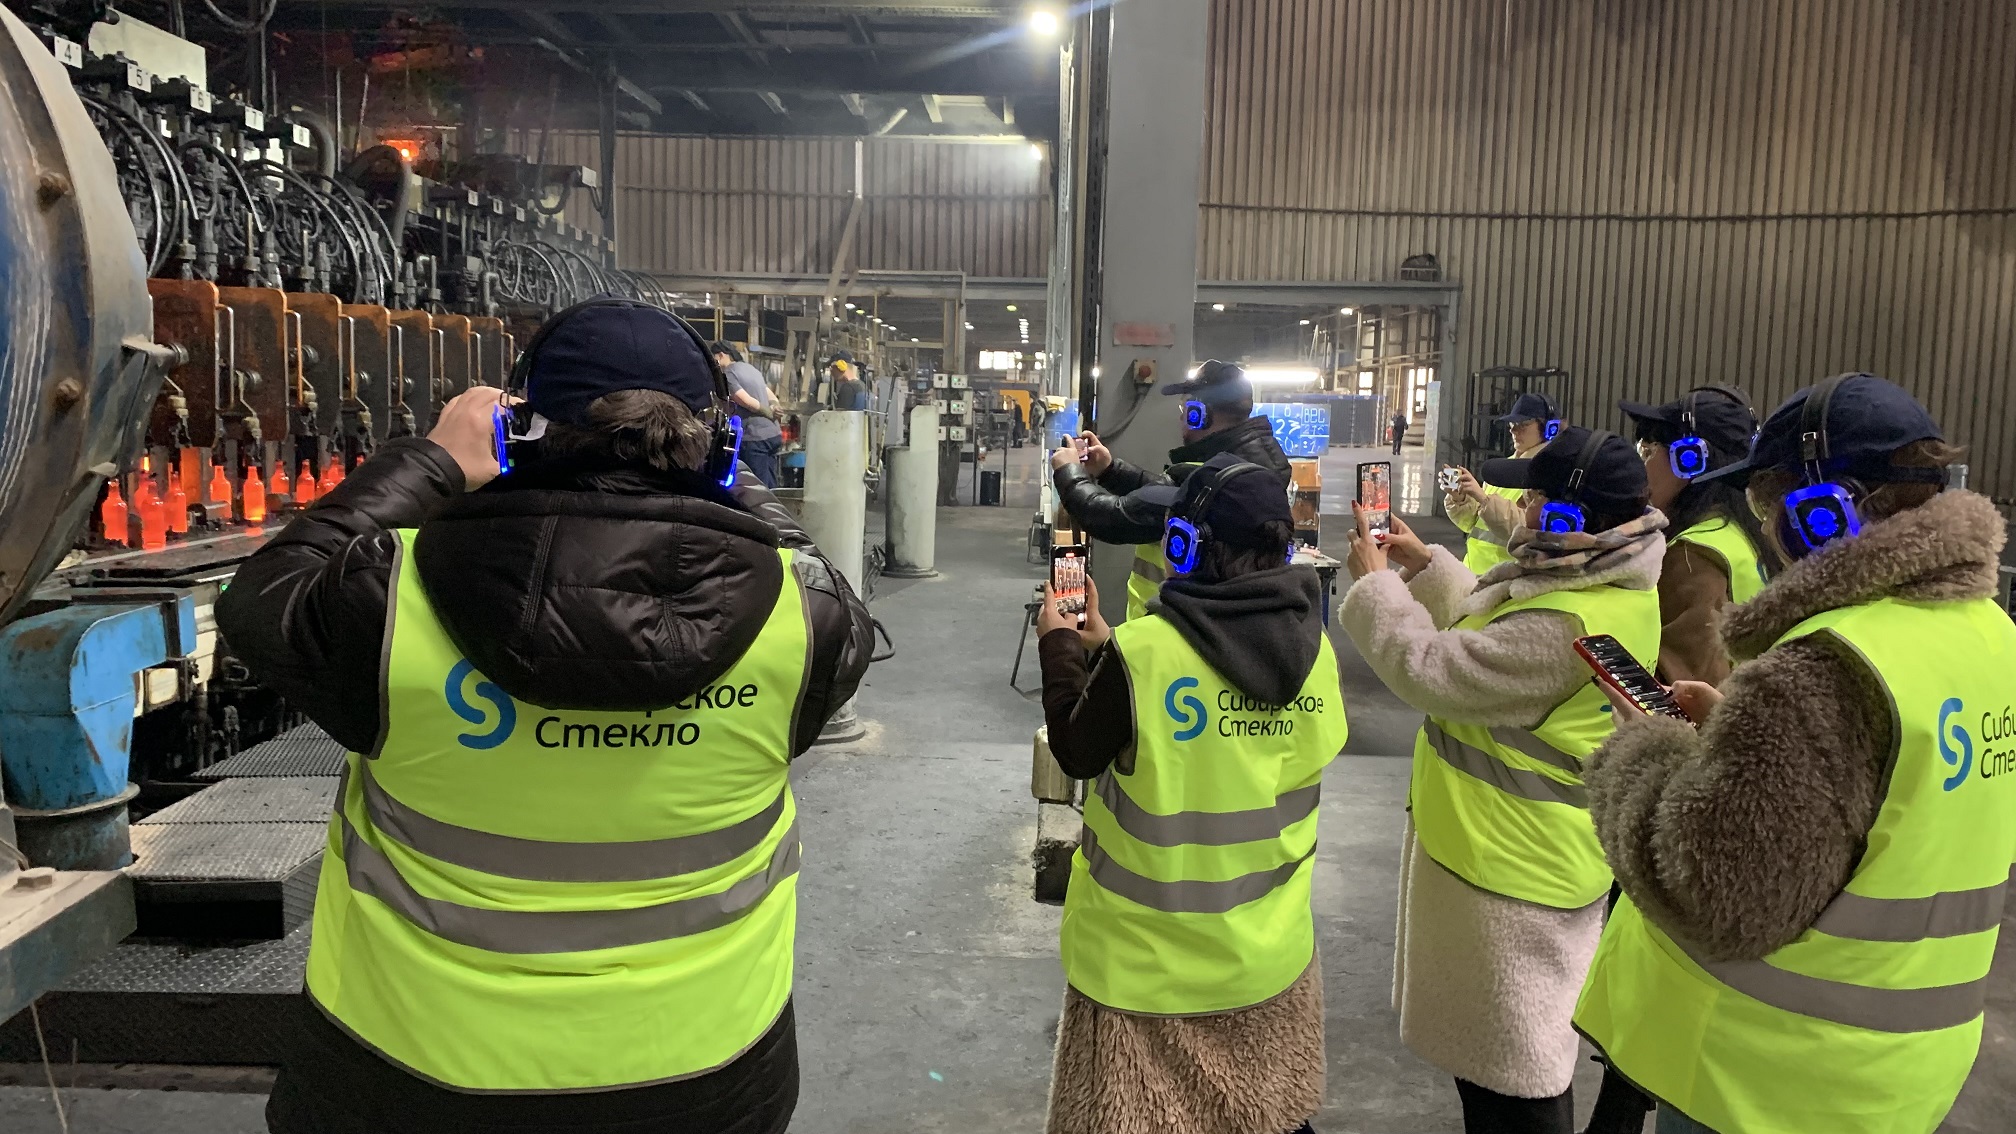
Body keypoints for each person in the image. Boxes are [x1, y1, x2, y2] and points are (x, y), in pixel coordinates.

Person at [219, 300, 875, 1134]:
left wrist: (429, 461)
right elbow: (819, 575)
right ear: (714, 443)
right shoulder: (805, 623)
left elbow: (259, 599)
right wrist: (728, 475)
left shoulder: (386, 597)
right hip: (706, 1079)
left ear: (516, 433)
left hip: (413, 1080)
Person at [1577, 374, 2016, 1134]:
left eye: (1768, 506)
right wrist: (1745, 740)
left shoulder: (1821, 669)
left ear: (1822, 512)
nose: (1769, 530)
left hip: (1767, 1073)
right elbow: (1883, 801)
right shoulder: (1991, 635)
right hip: (1908, 1064)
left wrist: (1645, 748)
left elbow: (1711, 892)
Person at [1339, 426, 1666, 1134]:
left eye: (1535, 497)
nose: (1521, 508)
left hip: (1510, 872)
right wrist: (1425, 564)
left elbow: (1435, 671)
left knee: (1516, 1079)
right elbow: (1498, 631)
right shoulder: (1602, 582)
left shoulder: (1570, 617)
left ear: (1570, 517)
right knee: (1503, 1065)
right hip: (1515, 858)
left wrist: (1376, 586)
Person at [1035, 452, 1347, 1134]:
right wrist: (1111, 649)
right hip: (1266, 956)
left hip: (1145, 970)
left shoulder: (1146, 654)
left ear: (1186, 547)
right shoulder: (1314, 650)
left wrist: (1059, 647)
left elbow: (1077, 749)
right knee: (1263, 1115)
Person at [1050, 360, 1291, 620]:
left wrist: (1068, 471)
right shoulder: (1246, 471)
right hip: (1210, 621)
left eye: (1184, 408)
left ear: (1199, 414)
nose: (1181, 416)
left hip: (1174, 624)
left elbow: (1110, 518)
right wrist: (1109, 471)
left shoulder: (1214, 479)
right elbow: (1171, 496)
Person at [1620, 387, 1775, 682]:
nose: (1642, 467)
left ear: (1689, 459)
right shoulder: (1750, 533)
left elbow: (1686, 685)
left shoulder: (1693, 555)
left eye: (1648, 452)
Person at [1447, 392, 1558, 575]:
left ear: (1550, 428)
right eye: (1512, 424)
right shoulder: (1503, 468)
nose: (1514, 431)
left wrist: (1483, 499)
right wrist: (1461, 498)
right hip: (1474, 574)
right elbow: (1471, 525)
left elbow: (1526, 532)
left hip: (1509, 579)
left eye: (1523, 424)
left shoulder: (1549, 475)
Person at [712, 340, 785, 489]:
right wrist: (775, 406)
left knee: (757, 486)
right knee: (771, 483)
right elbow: (769, 393)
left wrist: (766, 411)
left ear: (721, 355)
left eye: (714, 358)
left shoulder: (728, 373)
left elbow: (744, 400)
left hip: (755, 438)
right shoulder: (750, 369)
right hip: (773, 434)